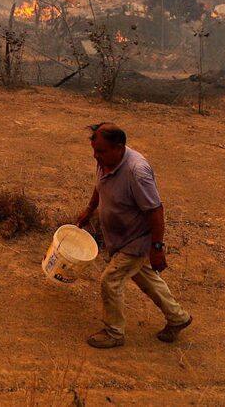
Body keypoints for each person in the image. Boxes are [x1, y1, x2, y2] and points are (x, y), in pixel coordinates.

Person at [75, 122, 192, 349]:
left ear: (119, 148)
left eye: (100, 151)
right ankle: (178, 318)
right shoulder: (106, 162)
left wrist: (157, 248)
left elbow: (156, 210)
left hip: (136, 239)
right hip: (119, 237)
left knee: (110, 280)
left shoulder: (137, 172)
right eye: (94, 150)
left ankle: (114, 332)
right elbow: (100, 185)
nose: (95, 156)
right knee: (144, 276)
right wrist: (89, 210)